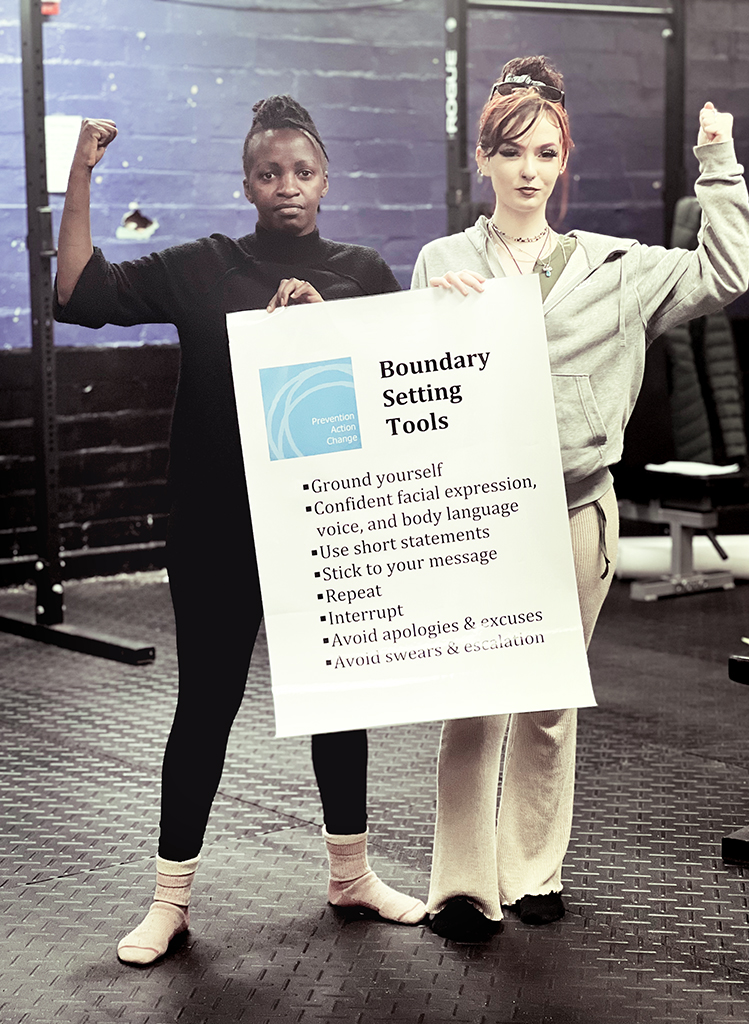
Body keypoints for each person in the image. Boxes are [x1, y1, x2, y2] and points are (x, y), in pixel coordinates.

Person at [54, 95, 427, 966]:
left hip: (325, 527)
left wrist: (328, 321)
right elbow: (77, 293)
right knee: (206, 707)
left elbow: (406, 390)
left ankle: (351, 875)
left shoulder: (363, 272)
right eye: (270, 173)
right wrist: (78, 174)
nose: (287, 186)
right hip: (218, 528)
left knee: (341, 701)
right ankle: (169, 900)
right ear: (247, 183)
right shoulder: (203, 268)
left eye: (302, 172)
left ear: (326, 180)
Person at [411, 55, 749, 942]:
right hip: (479, 512)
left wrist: (717, 159)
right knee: (474, 700)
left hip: (573, 511)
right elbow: (406, 393)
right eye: (513, 152)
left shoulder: (618, 268)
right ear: (484, 159)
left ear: (566, 163)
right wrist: (431, 316)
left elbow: (726, 274)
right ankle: (459, 884)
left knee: (548, 705)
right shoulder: (444, 262)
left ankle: (532, 876)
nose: (530, 170)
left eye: (547, 153)